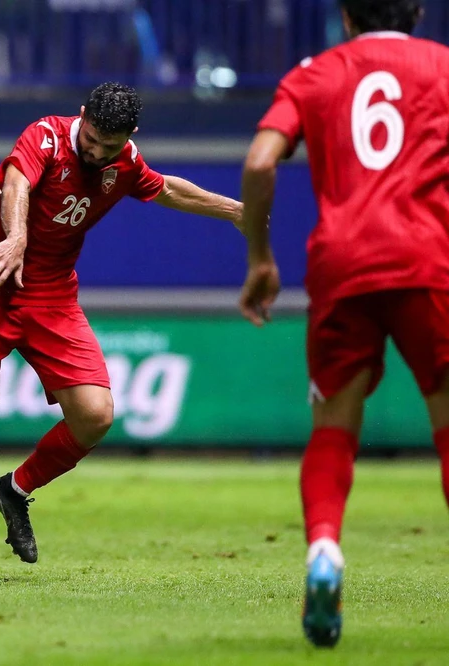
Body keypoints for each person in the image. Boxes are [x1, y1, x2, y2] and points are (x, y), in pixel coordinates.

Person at [0, 82, 244, 571]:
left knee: (95, 416)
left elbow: (166, 188)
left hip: (52, 297)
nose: (95, 152)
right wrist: (17, 237)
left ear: (129, 136)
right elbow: (17, 184)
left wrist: (236, 210)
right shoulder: (46, 136)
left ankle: (14, 490)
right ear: (82, 116)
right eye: (91, 139)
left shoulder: (125, 162)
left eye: (108, 146)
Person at [237, 0, 445, 649]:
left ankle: (324, 551)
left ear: (347, 17)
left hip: (342, 263)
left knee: (332, 428)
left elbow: (260, 162)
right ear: (417, 14)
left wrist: (260, 259)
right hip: (427, 260)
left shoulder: (314, 73)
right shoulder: (442, 67)